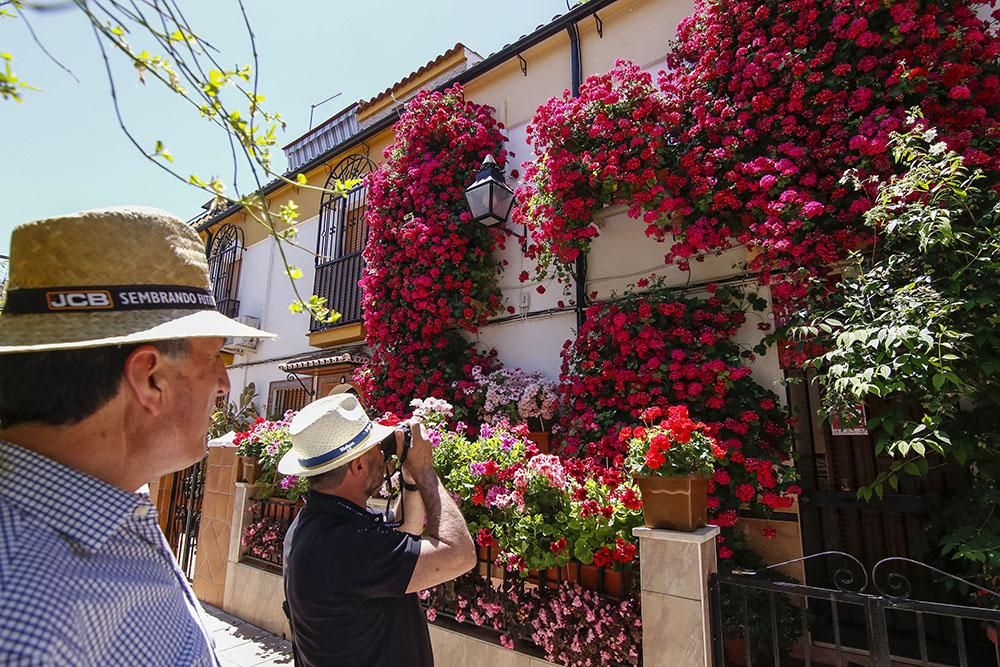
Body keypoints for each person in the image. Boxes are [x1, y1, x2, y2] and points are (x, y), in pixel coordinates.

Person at [0, 207, 275, 665]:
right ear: (150, 380)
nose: (224, 383)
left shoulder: (109, 514)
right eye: (214, 356)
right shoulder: (28, 622)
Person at [280, 393, 476, 667]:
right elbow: (459, 555)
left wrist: (409, 478)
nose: (383, 455)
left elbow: (403, 534)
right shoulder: (345, 545)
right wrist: (425, 471)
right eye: (375, 449)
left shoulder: (314, 523)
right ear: (358, 465)